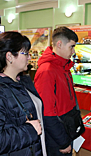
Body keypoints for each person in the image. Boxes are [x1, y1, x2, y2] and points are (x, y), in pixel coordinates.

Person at [0, 31, 47, 156]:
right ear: (9, 56)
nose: (29, 57)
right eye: (25, 53)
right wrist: (29, 130)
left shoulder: (21, 81)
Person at [34, 26, 78, 156]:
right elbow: (46, 113)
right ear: (59, 44)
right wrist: (62, 142)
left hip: (67, 127)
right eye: (71, 46)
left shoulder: (63, 66)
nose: (73, 51)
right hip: (57, 135)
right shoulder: (47, 71)